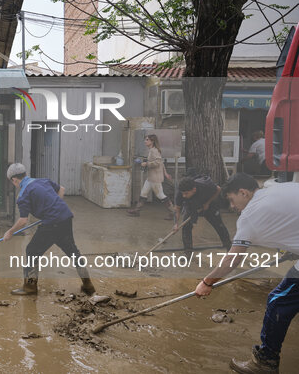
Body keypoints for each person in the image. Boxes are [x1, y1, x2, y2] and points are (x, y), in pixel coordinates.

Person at [195, 173, 299, 374]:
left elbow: (232, 261)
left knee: (278, 301)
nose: (232, 207)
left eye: (232, 200)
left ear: (243, 192)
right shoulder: (277, 187)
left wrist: (206, 282)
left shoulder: (250, 215)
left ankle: (265, 363)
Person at [3, 163, 95, 296]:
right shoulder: (42, 181)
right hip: (66, 218)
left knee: (32, 250)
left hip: (52, 224)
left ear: (14, 180)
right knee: (73, 252)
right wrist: (53, 208)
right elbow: (61, 189)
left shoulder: (23, 194)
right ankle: (88, 285)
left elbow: (23, 220)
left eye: (13, 182)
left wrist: (10, 232)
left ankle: (29, 287)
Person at [173, 174, 231, 256]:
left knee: (219, 226)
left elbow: (218, 189)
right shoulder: (181, 192)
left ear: (194, 189)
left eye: (186, 193)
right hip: (191, 206)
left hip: (209, 205)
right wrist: (175, 224)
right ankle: (188, 251)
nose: (183, 196)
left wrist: (208, 203)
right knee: (186, 227)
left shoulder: (205, 185)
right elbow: (177, 209)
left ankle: (229, 248)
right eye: (182, 193)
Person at [127, 134, 174, 219]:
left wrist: (146, 164)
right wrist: (165, 173)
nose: (145, 141)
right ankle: (137, 211)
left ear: (152, 141)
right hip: (151, 177)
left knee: (160, 195)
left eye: (147, 140)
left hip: (154, 178)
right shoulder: (153, 150)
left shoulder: (154, 151)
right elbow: (161, 162)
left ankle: (173, 212)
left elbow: (158, 163)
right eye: (145, 139)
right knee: (143, 193)